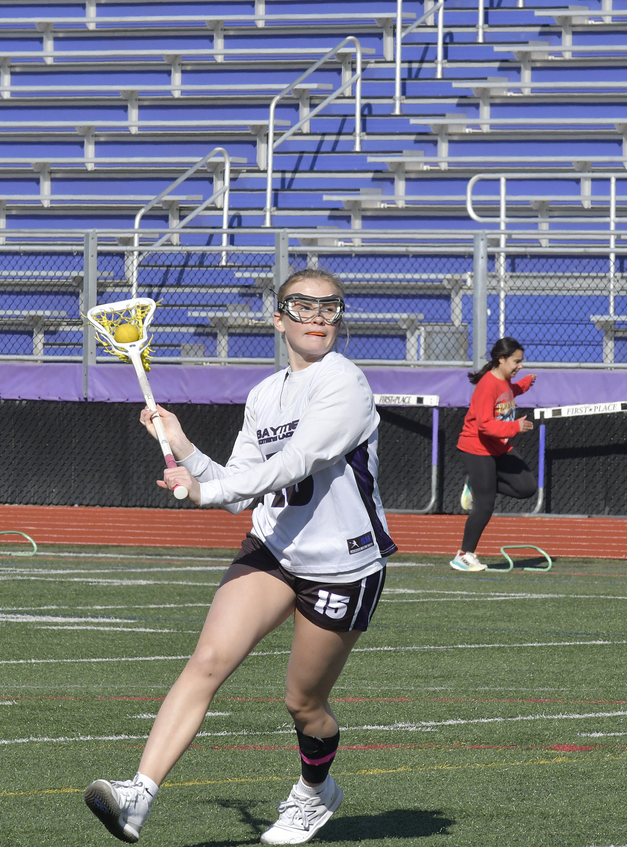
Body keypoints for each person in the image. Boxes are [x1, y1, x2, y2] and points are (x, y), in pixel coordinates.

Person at [84, 268, 394, 845]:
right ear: (279, 319)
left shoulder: (345, 385)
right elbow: (242, 486)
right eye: (303, 306)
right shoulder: (264, 395)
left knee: (304, 704)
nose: (319, 316)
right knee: (206, 661)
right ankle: (137, 797)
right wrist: (184, 446)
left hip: (342, 565)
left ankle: (314, 792)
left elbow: (294, 462)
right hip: (275, 546)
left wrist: (208, 489)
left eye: (331, 307)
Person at [451, 337, 537, 571]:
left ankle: (477, 485)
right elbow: (484, 425)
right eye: (516, 362)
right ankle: (463, 555)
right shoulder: (487, 386)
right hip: (476, 448)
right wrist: (515, 427)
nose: (520, 366)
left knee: (527, 487)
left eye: (521, 362)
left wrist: (525, 384)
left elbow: (509, 394)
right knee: (485, 504)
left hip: (499, 447)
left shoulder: (505, 381)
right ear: (501, 360)